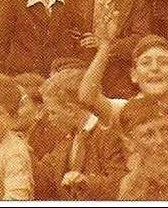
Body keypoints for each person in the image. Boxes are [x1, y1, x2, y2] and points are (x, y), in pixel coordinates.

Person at [79, 24, 168, 158]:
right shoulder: (123, 110)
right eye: (146, 63)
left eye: (163, 62)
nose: (154, 69)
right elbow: (87, 97)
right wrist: (105, 47)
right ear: (133, 75)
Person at [33, 66, 128, 199]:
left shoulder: (109, 134)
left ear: (71, 110)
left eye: (52, 112)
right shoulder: (69, 137)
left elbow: (121, 184)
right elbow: (46, 175)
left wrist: (86, 182)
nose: (49, 118)